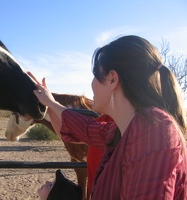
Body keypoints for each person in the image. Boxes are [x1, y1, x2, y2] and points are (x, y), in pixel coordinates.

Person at [29, 35, 187, 199]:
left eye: (95, 75)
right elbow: (85, 129)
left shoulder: (154, 128)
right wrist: (50, 102)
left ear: (112, 79)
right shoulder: (121, 129)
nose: (92, 84)